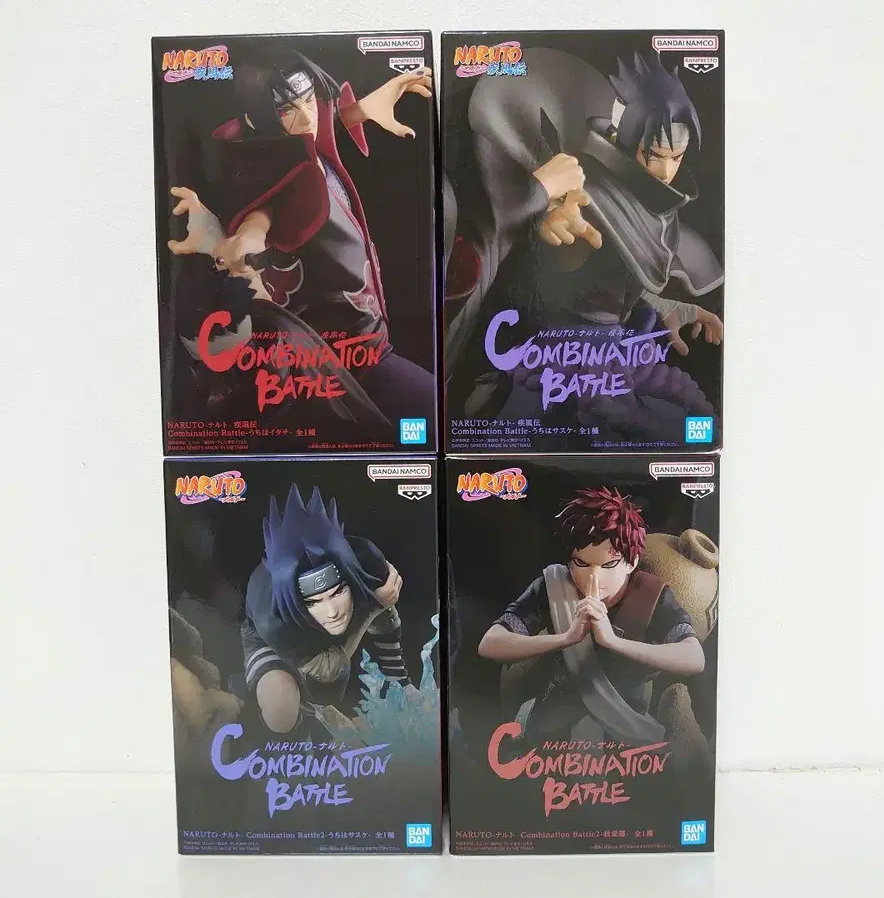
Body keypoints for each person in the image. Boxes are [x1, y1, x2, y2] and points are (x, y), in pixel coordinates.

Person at [445, 48, 723, 440]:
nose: (666, 171)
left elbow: (614, 281)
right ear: (631, 139)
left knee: (692, 422)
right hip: (557, 357)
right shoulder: (586, 190)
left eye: (677, 157)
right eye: (655, 155)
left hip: (611, 352)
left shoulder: (651, 213)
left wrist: (672, 308)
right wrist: (545, 225)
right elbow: (551, 276)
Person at [167, 47, 435, 430]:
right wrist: (245, 238)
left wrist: (360, 109)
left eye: (309, 100)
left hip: (364, 338)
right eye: (286, 110)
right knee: (426, 415)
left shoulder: (304, 146)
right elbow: (264, 209)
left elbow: (318, 131)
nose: (307, 116)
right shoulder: (281, 176)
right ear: (258, 119)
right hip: (350, 356)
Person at [478, 486, 704, 744]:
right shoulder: (553, 585)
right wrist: (565, 638)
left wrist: (613, 641)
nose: (594, 576)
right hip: (555, 717)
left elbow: (694, 658)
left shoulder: (652, 595)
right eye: (582, 563)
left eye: (609, 564)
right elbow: (490, 644)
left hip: (627, 723)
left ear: (631, 562)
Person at [241, 485, 412, 733]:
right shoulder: (271, 618)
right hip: (277, 642)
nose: (332, 611)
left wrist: (401, 680)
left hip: (330, 648)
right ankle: (310, 714)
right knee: (281, 715)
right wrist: (374, 606)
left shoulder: (367, 561)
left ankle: (321, 705)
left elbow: (386, 616)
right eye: (313, 601)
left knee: (334, 689)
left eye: (337, 592)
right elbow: (327, 670)